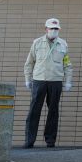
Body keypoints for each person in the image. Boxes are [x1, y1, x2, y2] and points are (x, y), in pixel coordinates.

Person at [23, 17, 72, 148]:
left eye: (56, 29)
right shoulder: (37, 43)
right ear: (46, 29)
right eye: (51, 28)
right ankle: (29, 140)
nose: (54, 31)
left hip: (56, 81)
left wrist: (68, 81)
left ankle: (50, 141)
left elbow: (67, 64)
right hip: (39, 80)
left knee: (53, 111)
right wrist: (28, 79)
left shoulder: (63, 44)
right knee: (34, 110)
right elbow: (29, 63)